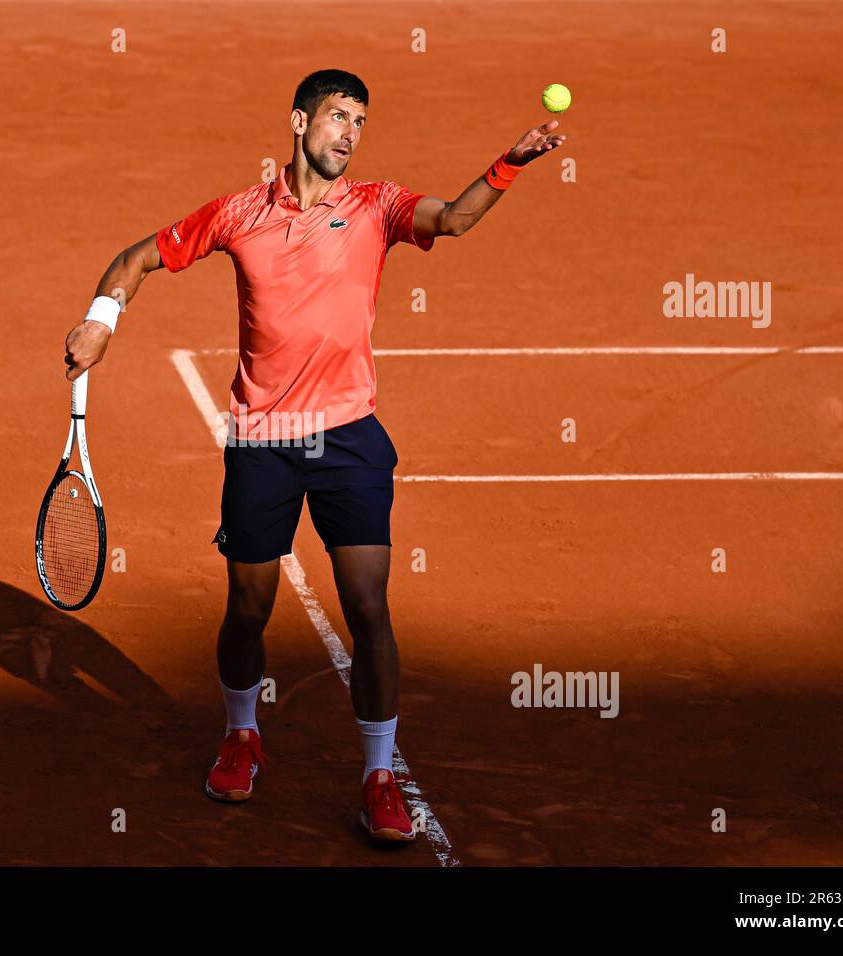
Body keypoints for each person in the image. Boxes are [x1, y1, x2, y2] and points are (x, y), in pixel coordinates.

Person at [62, 69, 565, 842]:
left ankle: (378, 773)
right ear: (299, 123)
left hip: (349, 438)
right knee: (248, 609)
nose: (349, 133)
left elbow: (457, 218)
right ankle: (241, 733)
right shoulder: (239, 213)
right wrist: (101, 321)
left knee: (368, 607)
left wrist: (512, 160)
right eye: (337, 117)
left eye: (359, 121)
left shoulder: (377, 205)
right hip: (263, 443)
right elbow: (135, 260)